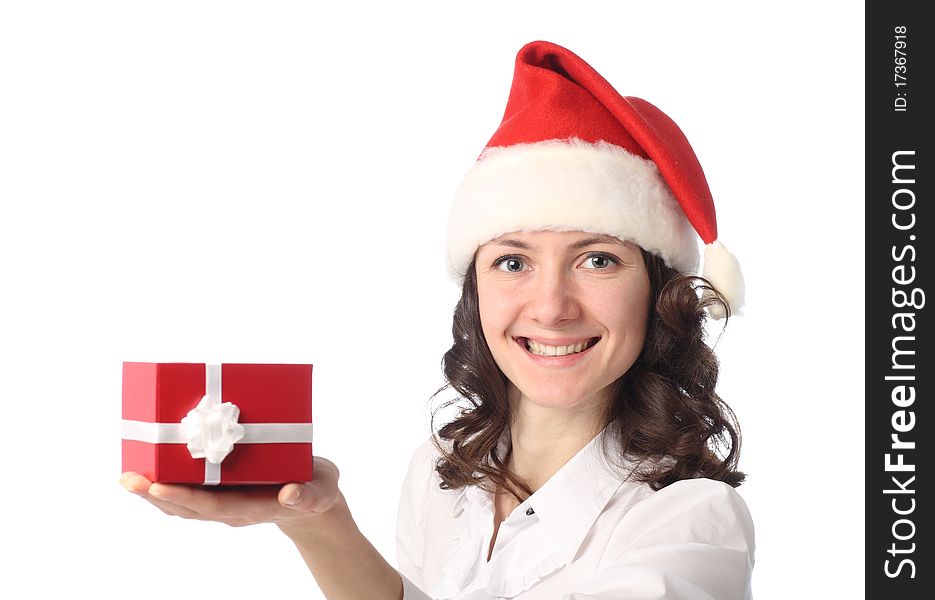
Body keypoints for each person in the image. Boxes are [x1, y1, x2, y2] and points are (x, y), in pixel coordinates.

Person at [120, 40, 754, 599]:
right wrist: (316, 522)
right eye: (513, 261)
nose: (552, 306)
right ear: (475, 291)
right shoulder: (440, 470)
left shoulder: (693, 522)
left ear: (660, 293)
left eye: (597, 259)